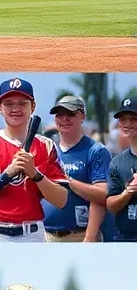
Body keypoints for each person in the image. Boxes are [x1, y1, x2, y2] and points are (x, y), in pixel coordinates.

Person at [0, 78, 69, 241]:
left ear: (32, 106)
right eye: (9, 104)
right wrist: (6, 175)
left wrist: (35, 174)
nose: (15, 109)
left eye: (22, 103)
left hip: (32, 234)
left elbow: (61, 200)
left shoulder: (45, 145)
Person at [44, 95, 112, 242]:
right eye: (59, 114)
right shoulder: (48, 149)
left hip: (78, 236)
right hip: (45, 236)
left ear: (82, 116)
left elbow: (102, 194)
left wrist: (89, 237)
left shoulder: (96, 151)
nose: (64, 119)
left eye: (70, 114)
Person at [105, 97, 137, 242]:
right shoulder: (117, 162)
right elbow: (110, 205)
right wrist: (128, 191)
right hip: (125, 239)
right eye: (123, 119)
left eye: (133, 118)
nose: (127, 123)